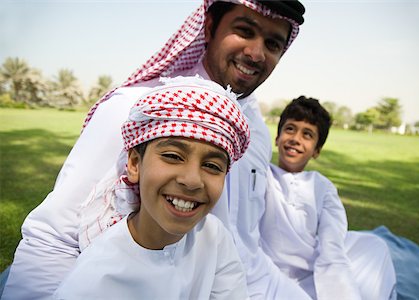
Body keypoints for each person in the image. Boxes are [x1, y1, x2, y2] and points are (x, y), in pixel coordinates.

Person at [2, 1, 312, 299]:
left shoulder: (255, 129)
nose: (256, 53)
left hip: (243, 282)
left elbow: (247, 238)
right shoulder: (138, 110)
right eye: (244, 30)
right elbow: (54, 238)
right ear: (209, 26)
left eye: (273, 44)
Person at [53, 76, 250, 299]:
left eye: (212, 166)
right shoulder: (92, 282)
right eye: (173, 156)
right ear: (135, 164)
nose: (192, 180)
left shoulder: (214, 236)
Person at [259, 96, 397, 300]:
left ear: (316, 150)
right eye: (290, 129)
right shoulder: (261, 174)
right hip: (268, 272)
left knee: (375, 246)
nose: (296, 138)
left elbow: (331, 243)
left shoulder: (321, 186)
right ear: (277, 138)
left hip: (313, 271)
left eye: (307, 134)